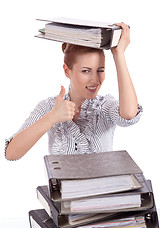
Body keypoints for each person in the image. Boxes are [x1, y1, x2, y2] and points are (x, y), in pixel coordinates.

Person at [5, 22, 142, 161]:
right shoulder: (50, 107)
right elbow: (11, 154)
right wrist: (52, 117)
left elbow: (129, 115)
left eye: (100, 70)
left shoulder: (104, 106)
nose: (95, 80)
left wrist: (119, 54)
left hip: (104, 184)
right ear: (67, 71)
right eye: (85, 71)